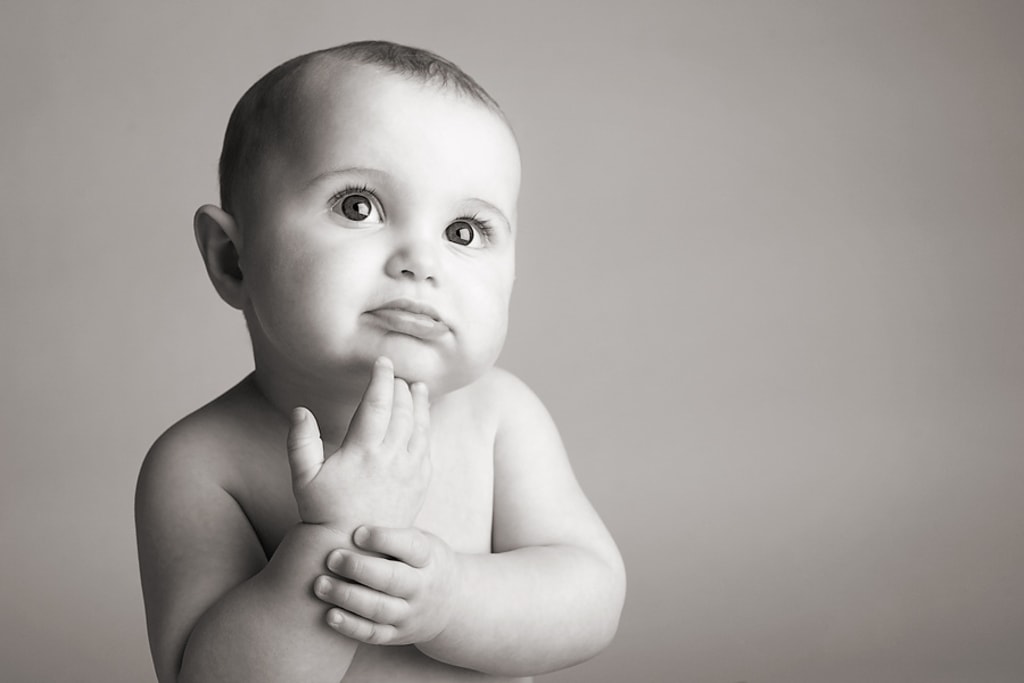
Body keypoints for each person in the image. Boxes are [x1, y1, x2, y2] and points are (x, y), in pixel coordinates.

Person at [135, 40, 625, 683]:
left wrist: (451, 601)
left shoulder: (499, 418)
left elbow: (591, 599)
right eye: (358, 206)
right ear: (233, 260)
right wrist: (338, 536)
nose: (422, 261)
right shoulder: (202, 463)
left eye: (464, 232)